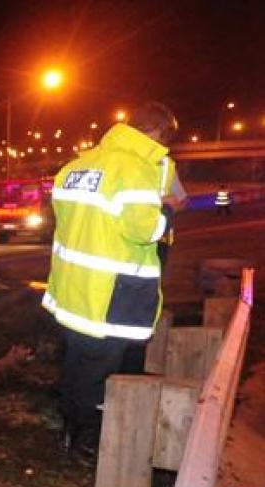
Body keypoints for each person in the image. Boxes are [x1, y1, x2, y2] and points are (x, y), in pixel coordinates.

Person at [43, 101, 179, 456]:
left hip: (74, 289)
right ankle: (86, 438)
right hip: (109, 292)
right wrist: (165, 212)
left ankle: (71, 429)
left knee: (77, 361)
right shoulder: (134, 169)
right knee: (100, 368)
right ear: (157, 133)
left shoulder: (78, 165)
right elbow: (143, 230)